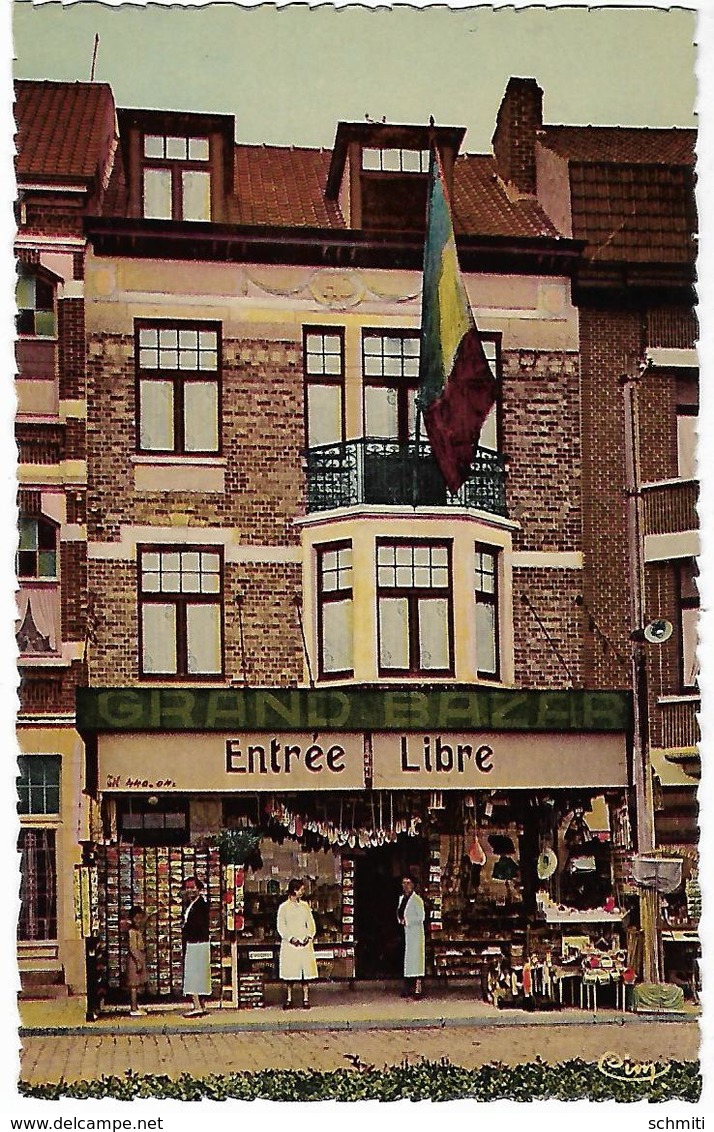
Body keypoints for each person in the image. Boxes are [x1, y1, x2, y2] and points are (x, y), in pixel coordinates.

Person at [276, 878, 317, 1010]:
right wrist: (290, 938)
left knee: (305, 973)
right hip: (290, 944)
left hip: (304, 943)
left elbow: (311, 923)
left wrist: (308, 936)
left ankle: (305, 998)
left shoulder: (305, 906)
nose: (303, 892)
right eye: (301, 889)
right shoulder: (284, 908)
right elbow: (281, 926)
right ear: (294, 890)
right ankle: (289, 999)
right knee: (290, 973)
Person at [182, 876, 210, 1017]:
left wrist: (185, 929)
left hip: (196, 943)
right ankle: (201, 1005)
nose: (190, 890)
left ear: (199, 889)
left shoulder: (200, 905)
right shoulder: (192, 904)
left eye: (193, 887)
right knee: (198, 973)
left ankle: (197, 1005)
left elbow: (197, 925)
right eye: (188, 888)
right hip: (196, 943)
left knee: (194, 974)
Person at [397, 875, 425, 999]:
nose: (406, 886)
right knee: (408, 962)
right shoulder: (402, 898)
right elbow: (399, 912)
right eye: (404, 883)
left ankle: (418, 989)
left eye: (408, 883)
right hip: (406, 932)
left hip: (415, 934)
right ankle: (407, 987)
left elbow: (421, 917)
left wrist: (407, 920)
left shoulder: (417, 900)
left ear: (413, 885)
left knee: (417, 961)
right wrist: (400, 920)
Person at [125, 906, 148, 1017]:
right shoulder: (132, 932)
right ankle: (133, 1008)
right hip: (134, 960)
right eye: (136, 918)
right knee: (134, 986)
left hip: (137, 957)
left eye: (140, 918)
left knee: (136, 985)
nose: (138, 921)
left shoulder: (137, 930)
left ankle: (135, 1006)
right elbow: (132, 948)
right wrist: (138, 961)